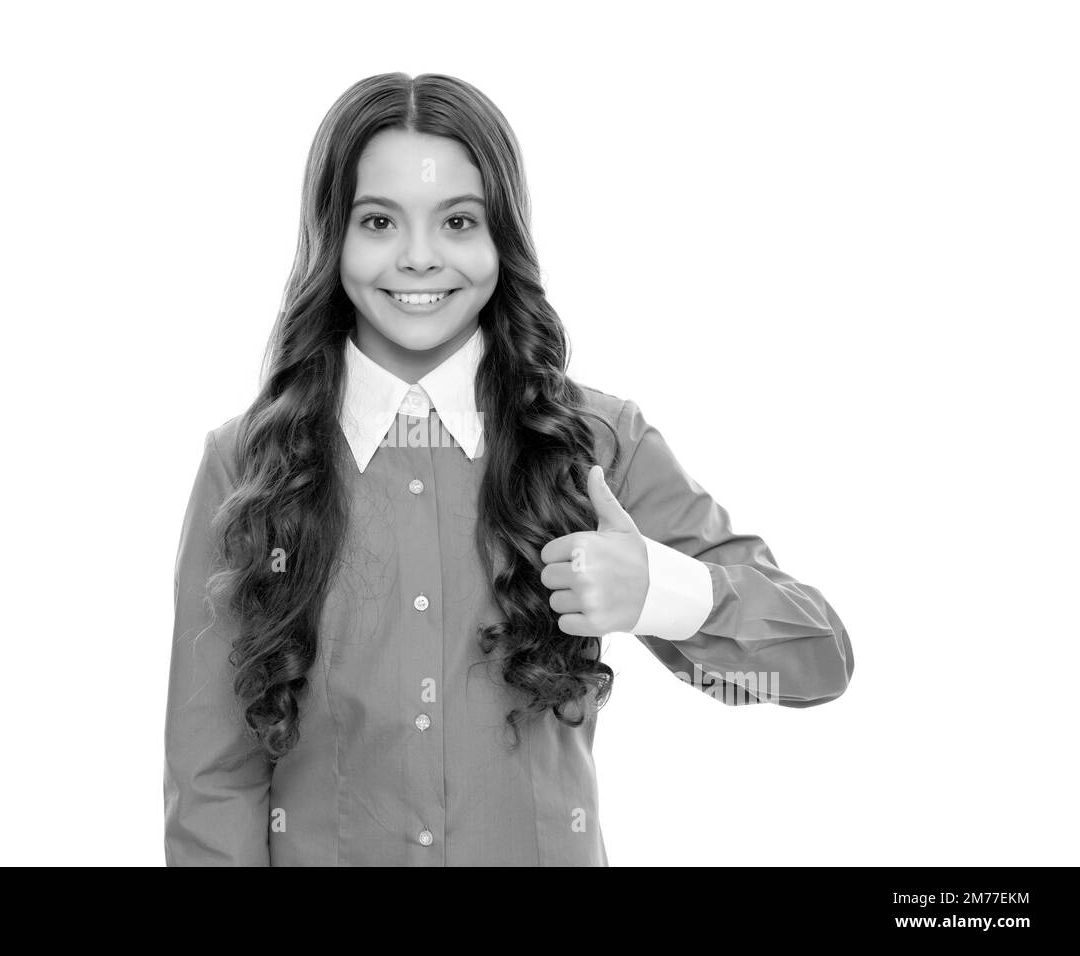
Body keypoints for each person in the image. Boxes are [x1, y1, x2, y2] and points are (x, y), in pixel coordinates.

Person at [164, 72, 854, 866]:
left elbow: (816, 664)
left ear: (503, 239)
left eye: (458, 221)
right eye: (379, 220)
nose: (419, 258)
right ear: (331, 239)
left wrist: (665, 591)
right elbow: (212, 779)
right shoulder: (244, 464)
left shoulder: (598, 440)